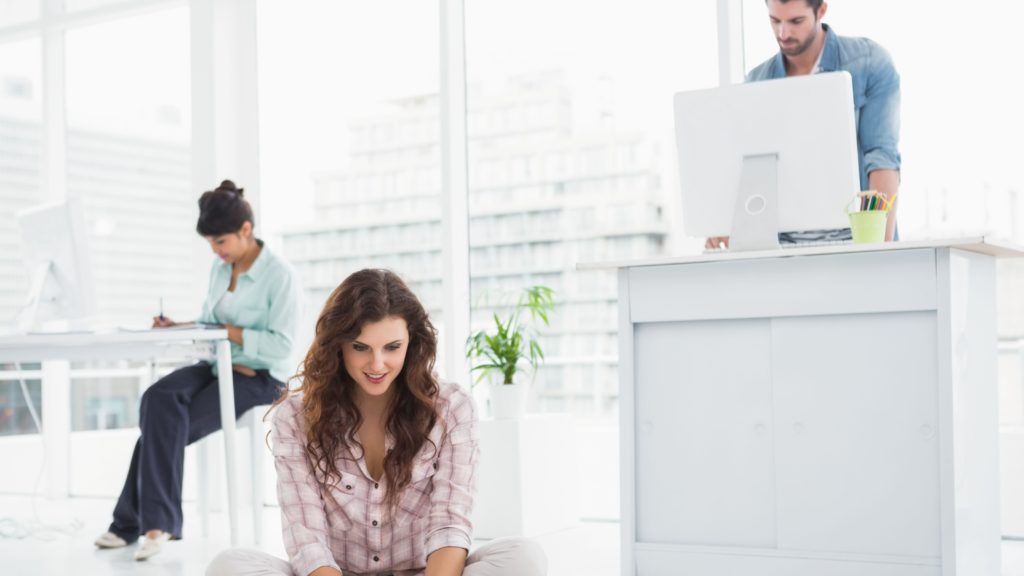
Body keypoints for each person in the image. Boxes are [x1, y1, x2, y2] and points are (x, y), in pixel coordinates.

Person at [206, 269, 547, 576]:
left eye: (392, 347)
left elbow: (450, 522)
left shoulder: (452, 407)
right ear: (337, 345)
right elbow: (306, 538)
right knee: (229, 566)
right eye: (360, 347)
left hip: (425, 572)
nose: (377, 363)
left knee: (523, 557)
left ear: (413, 342)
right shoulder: (295, 417)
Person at [93, 179, 299, 561]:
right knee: (158, 399)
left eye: (221, 242)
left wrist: (232, 334)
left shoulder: (279, 275)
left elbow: (282, 346)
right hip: (216, 363)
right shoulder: (220, 271)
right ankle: (150, 524)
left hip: (261, 377)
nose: (216, 251)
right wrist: (179, 326)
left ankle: (138, 525)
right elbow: (209, 322)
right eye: (210, 243)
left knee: (161, 429)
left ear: (246, 230)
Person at [706, 0, 901, 249]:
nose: (783, 33)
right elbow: (750, 172)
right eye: (775, 21)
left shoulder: (870, 63)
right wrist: (724, 225)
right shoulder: (756, 82)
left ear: (821, 10)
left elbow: (882, 158)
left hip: (854, 243)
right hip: (782, 251)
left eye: (795, 21)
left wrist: (878, 251)